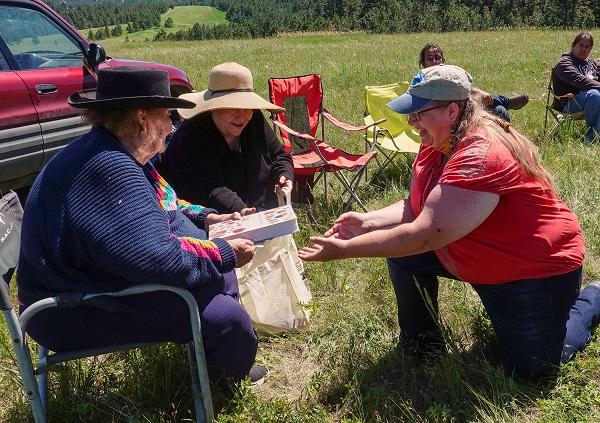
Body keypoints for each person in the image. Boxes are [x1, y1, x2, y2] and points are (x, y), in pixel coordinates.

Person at [298, 64, 600, 378]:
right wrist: (368, 222)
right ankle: (422, 344)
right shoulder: (438, 142)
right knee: (404, 256)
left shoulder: (479, 155)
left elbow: (427, 233)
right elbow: (423, 207)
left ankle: (593, 298)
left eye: (417, 114)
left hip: (531, 268)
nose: (411, 122)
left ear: (452, 111)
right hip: (482, 252)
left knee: (536, 368)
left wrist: (344, 250)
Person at [17, 66, 266, 385]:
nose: (171, 126)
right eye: (166, 115)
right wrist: (224, 252)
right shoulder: (111, 169)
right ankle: (227, 378)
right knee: (225, 316)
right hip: (70, 311)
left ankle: (219, 352)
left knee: (218, 278)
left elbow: (168, 204)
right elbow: (160, 259)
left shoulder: (114, 151)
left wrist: (208, 217)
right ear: (141, 118)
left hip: (87, 287)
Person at [159, 62, 293, 214]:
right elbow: (210, 189)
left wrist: (284, 175)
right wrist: (246, 213)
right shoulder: (191, 137)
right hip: (208, 222)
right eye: (232, 106)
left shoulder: (253, 118)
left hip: (260, 215)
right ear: (213, 107)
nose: (241, 114)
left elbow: (279, 155)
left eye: (246, 106)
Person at [419, 43, 529, 122]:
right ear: (423, 63)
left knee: (500, 111)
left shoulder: (449, 75)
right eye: (430, 58)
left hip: (468, 106)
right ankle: (506, 101)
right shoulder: (422, 84)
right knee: (498, 109)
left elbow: (466, 90)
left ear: (443, 60)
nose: (434, 61)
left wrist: (482, 94)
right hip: (453, 116)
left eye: (438, 57)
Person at [552, 32, 600, 141]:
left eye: (587, 47)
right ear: (573, 45)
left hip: (588, 101)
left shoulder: (591, 63)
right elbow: (582, 82)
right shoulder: (564, 63)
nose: (583, 49)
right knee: (595, 94)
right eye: (580, 45)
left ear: (591, 49)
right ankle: (593, 138)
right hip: (568, 104)